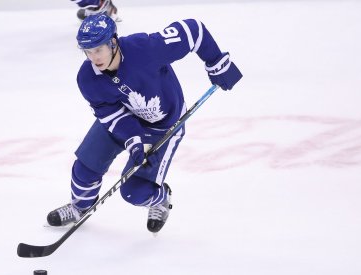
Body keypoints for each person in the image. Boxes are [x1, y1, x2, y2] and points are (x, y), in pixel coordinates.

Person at [47, 14, 242, 233]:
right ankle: (80, 208)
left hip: (163, 126)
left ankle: (161, 199)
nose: (94, 58)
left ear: (113, 42)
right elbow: (110, 114)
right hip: (123, 118)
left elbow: (193, 30)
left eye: (98, 50)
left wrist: (216, 62)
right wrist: (133, 139)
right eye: (88, 51)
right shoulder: (87, 77)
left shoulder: (146, 49)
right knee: (85, 168)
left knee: (136, 191)